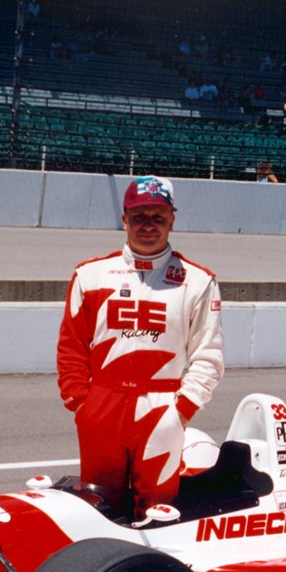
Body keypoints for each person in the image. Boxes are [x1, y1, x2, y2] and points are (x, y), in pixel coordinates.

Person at [56, 176, 225, 520]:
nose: (148, 225)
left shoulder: (197, 281)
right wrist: (81, 403)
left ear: (172, 220)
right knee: (99, 508)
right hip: (102, 405)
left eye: (158, 217)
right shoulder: (90, 274)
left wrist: (182, 410)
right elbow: (71, 347)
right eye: (139, 217)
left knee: (160, 512)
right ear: (125, 220)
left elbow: (209, 356)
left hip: (162, 406)